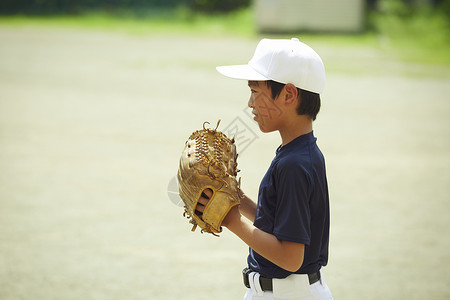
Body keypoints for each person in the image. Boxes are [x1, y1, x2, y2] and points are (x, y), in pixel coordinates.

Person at [197, 38, 333, 300]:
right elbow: (281, 225)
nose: (250, 103)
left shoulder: (294, 164)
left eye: (256, 92)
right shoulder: (302, 153)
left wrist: (230, 219)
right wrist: (235, 199)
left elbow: (291, 258)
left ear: (289, 94)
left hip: (288, 292)